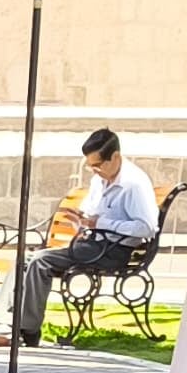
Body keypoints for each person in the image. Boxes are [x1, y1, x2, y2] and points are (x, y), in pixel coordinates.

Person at [13, 126, 161, 339]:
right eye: (90, 166)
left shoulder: (133, 185)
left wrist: (104, 223)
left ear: (115, 157)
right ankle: (5, 321)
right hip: (91, 244)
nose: (94, 170)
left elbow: (147, 227)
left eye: (98, 165)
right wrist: (81, 222)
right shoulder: (99, 180)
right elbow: (90, 214)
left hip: (112, 251)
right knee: (24, 260)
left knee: (39, 261)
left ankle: (26, 330)